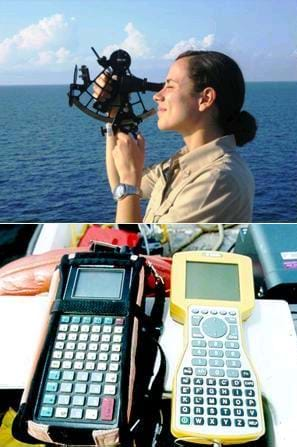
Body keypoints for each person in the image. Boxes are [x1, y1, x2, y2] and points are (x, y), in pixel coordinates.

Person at [94, 50, 257, 223]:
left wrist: (129, 178)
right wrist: (115, 111)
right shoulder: (182, 163)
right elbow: (121, 185)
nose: (157, 96)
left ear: (205, 98)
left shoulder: (217, 179)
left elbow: (137, 243)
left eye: (170, 86)